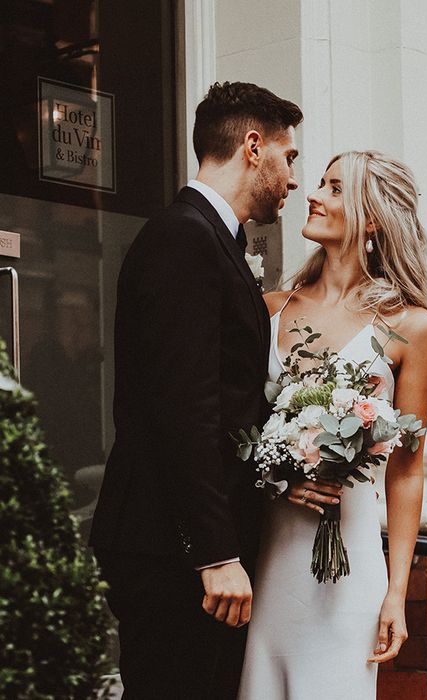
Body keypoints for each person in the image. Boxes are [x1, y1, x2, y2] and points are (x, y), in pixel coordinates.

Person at [89, 81, 302, 699]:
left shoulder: (213, 239)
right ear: (254, 147)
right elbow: (183, 409)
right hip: (173, 551)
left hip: (187, 547)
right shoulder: (184, 237)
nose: (292, 179)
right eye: (290, 158)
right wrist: (214, 553)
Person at [237, 151, 427, 699]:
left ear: (372, 217)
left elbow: (406, 469)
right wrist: (278, 473)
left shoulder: (412, 327)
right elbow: (235, 428)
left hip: (349, 568)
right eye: (319, 185)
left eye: (333, 188)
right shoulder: (268, 309)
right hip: (267, 557)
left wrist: (397, 592)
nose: (314, 195)